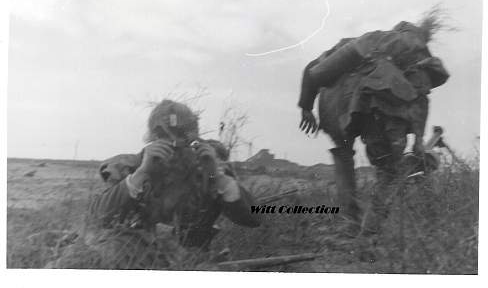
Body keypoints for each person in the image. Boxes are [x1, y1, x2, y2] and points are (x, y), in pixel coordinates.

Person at [50, 99, 261, 269]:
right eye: (167, 137)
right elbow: (97, 217)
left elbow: (253, 218)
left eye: (183, 137)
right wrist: (142, 173)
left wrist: (217, 177)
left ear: (194, 136)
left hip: (187, 261)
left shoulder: (209, 167)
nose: (176, 145)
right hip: (132, 256)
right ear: (153, 138)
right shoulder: (134, 165)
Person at [298, 15, 450, 237]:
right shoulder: (420, 55)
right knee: (388, 171)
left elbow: (315, 71)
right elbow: (421, 100)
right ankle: (367, 232)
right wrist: (417, 138)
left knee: (351, 157)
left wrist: (306, 107)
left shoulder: (375, 41)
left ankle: (356, 227)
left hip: (341, 110)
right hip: (374, 112)